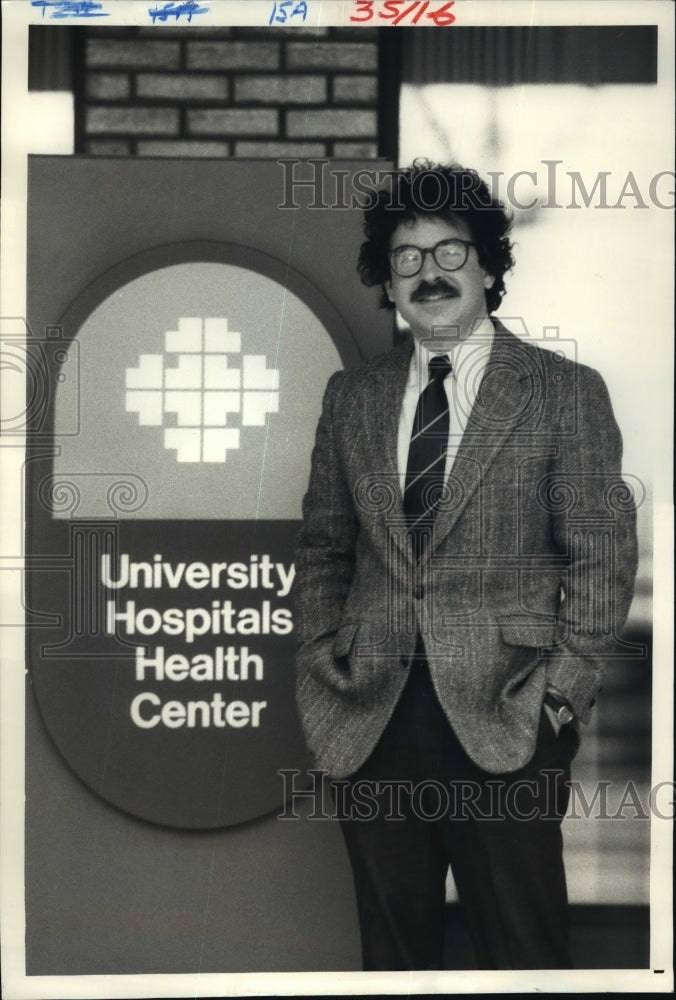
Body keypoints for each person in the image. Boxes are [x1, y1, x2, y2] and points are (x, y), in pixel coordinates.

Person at [293, 161, 638, 970]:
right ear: (388, 279)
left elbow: (600, 553)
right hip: (370, 715)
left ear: (488, 266)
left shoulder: (564, 392)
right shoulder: (354, 396)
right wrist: (319, 662)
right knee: (393, 960)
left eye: (451, 251)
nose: (429, 273)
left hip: (509, 715)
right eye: (406, 258)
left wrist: (562, 691)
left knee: (523, 952)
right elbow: (323, 548)